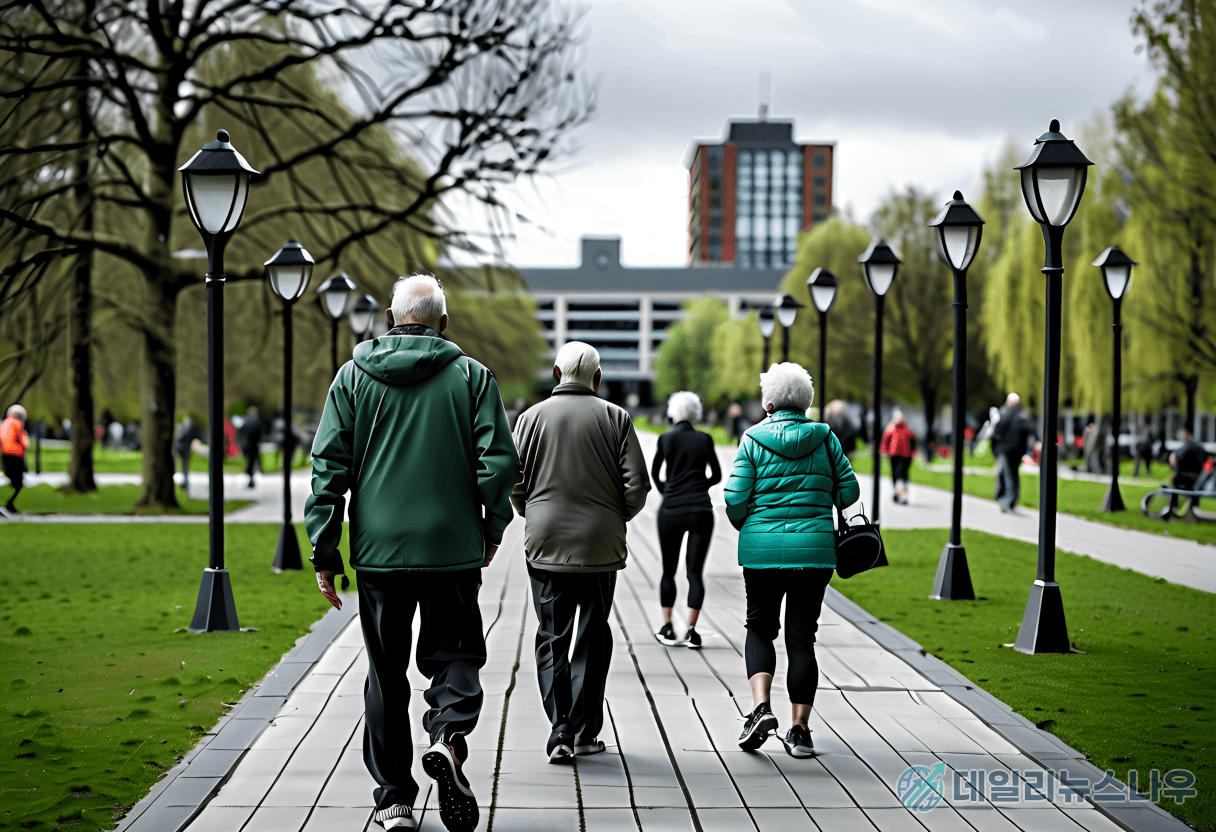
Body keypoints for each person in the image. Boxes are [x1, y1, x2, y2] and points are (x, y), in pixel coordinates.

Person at [306, 273, 518, 832]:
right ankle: (448, 736)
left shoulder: (352, 379)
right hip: (450, 547)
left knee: (385, 672)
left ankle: (395, 798)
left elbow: (329, 467)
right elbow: (497, 462)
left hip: (379, 552)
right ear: (443, 323)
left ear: (391, 320)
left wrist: (325, 551)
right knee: (456, 655)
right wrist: (491, 528)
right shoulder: (472, 377)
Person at [510, 341, 651, 763]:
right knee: (593, 632)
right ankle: (586, 730)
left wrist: (529, 511)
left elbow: (513, 481)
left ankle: (560, 730)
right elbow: (638, 486)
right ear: (598, 378)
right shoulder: (616, 418)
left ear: (555, 375)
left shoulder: (530, 418)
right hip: (599, 543)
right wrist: (615, 515)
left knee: (552, 634)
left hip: (546, 540)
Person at [724, 363, 859, 759]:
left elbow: (734, 499)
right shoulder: (825, 437)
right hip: (815, 552)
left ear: (768, 402)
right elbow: (848, 492)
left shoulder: (751, 439)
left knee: (760, 628)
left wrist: (746, 524)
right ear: (807, 401)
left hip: (762, 552)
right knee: (802, 638)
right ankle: (800, 731)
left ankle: (761, 708)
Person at [651, 391, 722, 649]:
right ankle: (692, 631)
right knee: (695, 573)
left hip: (671, 510)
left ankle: (667, 628)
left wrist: (668, 490)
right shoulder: (705, 439)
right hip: (701, 510)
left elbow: (654, 473)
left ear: (673, 412)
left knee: (668, 571)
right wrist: (698, 487)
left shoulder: (665, 439)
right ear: (695, 412)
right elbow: (716, 475)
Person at [990, 393, 1040, 513]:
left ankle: (1007, 499)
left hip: (1008, 450)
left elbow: (997, 430)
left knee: (1008, 474)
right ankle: (1008, 498)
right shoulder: (1022, 415)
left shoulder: (1005, 413)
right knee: (1011, 474)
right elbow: (1032, 429)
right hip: (1015, 450)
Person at [879, 410, 916, 505]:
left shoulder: (907, 430)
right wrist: (884, 451)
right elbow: (886, 441)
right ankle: (897, 492)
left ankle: (902, 495)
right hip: (893, 454)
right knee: (895, 475)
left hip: (904, 455)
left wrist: (913, 453)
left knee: (901, 474)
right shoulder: (891, 428)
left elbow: (913, 442)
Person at [2, 404, 30, 516]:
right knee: (18, 484)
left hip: (5, 455)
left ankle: (9, 504)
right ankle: (9, 503)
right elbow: (25, 443)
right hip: (16, 456)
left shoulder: (4, 423)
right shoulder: (18, 424)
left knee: (12, 480)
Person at [174, 416, 205, 491]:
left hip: (179, 447)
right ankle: (185, 483)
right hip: (184, 449)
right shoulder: (193, 428)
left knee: (182, 466)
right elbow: (201, 438)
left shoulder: (186, 427)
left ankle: (184, 483)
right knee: (185, 466)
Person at [237, 406, 264, 488]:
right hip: (253, 445)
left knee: (249, 461)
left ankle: (250, 475)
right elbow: (260, 434)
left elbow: (240, 433)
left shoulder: (244, 421)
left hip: (246, 445)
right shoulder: (257, 421)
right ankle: (251, 476)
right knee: (252, 462)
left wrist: (241, 443)